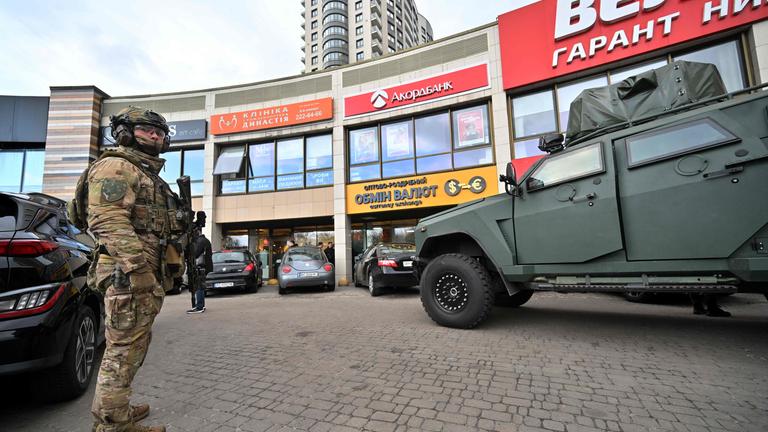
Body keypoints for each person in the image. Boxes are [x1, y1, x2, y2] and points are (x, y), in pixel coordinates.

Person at [87, 106, 180, 432]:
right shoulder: (116, 166)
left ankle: (116, 410)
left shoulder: (144, 173)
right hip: (128, 275)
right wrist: (139, 271)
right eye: (146, 129)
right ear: (125, 132)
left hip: (136, 274)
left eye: (160, 132)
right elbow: (107, 220)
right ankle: (113, 425)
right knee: (123, 352)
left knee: (129, 346)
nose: (155, 135)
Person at [187, 229, 212, 314]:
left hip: (201, 267)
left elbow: (195, 254)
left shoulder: (200, 241)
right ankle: (200, 305)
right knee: (200, 286)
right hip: (204, 266)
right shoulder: (205, 240)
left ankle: (199, 307)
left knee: (199, 286)